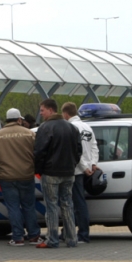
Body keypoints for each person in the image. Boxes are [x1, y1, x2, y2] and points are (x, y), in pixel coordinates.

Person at [0, 108, 42, 246]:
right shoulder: (29, 134)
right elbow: (38, 154)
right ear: (19, 119)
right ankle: (34, 236)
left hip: (6, 177)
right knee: (29, 206)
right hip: (26, 175)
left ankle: (18, 237)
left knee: (13, 207)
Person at [34, 99, 82, 248]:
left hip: (51, 172)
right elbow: (78, 150)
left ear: (50, 110)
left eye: (42, 110)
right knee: (67, 204)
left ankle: (52, 239)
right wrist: (72, 165)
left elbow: (39, 152)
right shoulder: (72, 128)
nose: (41, 114)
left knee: (52, 206)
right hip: (68, 172)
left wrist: (39, 170)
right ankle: (72, 238)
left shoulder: (45, 127)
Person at [61, 102, 99, 243]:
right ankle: (68, 232)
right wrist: (93, 163)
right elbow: (94, 147)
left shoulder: (71, 127)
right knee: (77, 202)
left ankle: (82, 234)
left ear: (65, 114)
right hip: (87, 169)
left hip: (76, 170)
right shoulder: (87, 127)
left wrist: (84, 167)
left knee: (75, 204)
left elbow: (75, 152)